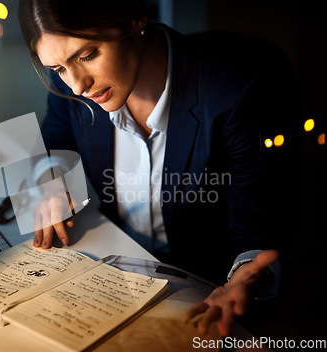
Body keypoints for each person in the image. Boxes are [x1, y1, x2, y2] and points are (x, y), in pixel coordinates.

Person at [18, 0, 298, 337]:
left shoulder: (231, 96)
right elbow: (55, 140)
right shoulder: (70, 86)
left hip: (204, 291)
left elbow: (254, 234)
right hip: (117, 278)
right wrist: (52, 181)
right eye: (59, 68)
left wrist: (246, 275)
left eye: (88, 55)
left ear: (135, 19)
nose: (77, 85)